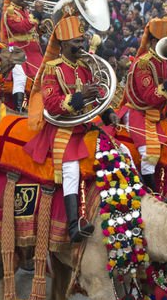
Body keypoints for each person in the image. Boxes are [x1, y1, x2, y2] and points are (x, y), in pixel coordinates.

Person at [24, 15, 112, 243]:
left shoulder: (85, 66)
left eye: (82, 41)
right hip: (62, 129)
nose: (81, 46)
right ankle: (74, 225)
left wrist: (107, 112)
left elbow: (98, 95)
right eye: (76, 42)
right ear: (62, 44)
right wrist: (82, 97)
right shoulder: (52, 70)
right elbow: (53, 106)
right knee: (71, 170)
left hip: (85, 125)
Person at [119, 16, 167, 190]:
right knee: (149, 154)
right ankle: (151, 193)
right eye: (164, 41)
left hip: (160, 114)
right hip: (140, 113)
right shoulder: (143, 64)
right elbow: (150, 96)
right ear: (152, 41)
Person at [0, 0, 44, 108]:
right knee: (21, 78)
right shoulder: (10, 12)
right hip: (19, 51)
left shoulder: (25, 10)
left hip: (33, 51)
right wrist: (36, 15)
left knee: (42, 79)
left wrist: (41, 29)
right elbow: (21, 27)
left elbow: (32, 31)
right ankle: (19, 107)